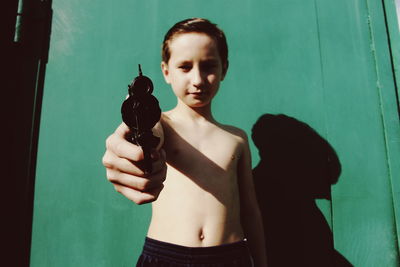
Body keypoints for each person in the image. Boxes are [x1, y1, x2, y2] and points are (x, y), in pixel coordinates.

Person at [102, 18, 267, 267]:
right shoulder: (164, 124)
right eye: (185, 67)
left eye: (209, 66)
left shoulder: (237, 138)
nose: (198, 79)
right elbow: (147, 127)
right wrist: (138, 116)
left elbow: (250, 211)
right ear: (166, 71)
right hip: (166, 256)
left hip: (231, 257)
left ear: (225, 68)